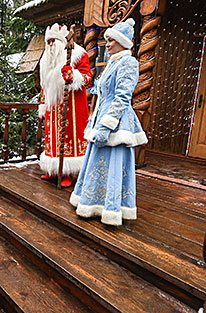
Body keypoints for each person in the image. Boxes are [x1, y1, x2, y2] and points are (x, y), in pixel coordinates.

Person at [69, 18, 148, 226]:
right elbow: (102, 94)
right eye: (107, 40)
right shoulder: (113, 63)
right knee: (97, 162)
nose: (108, 44)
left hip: (117, 122)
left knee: (113, 163)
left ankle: (111, 208)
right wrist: (95, 122)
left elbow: (122, 97)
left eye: (111, 40)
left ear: (123, 41)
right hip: (102, 117)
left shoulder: (129, 62)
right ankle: (93, 202)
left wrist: (106, 124)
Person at [38, 23, 92, 187]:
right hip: (52, 108)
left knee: (69, 137)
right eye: (49, 42)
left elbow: (88, 77)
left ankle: (68, 171)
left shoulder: (78, 55)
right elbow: (44, 86)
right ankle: (53, 170)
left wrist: (73, 75)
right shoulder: (45, 61)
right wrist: (42, 104)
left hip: (72, 107)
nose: (51, 45)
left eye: (54, 41)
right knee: (52, 139)